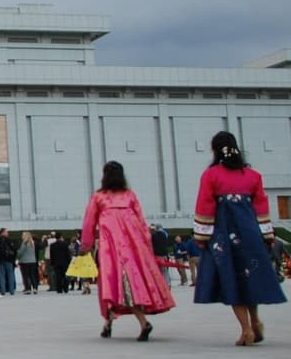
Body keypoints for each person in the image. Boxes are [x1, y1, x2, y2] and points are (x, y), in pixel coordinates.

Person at [192, 131, 286, 346]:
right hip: (250, 233)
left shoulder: (211, 175)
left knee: (231, 280)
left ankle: (246, 330)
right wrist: (267, 235)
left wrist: (201, 236)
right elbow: (261, 206)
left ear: (216, 150)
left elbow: (205, 205)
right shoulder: (253, 175)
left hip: (224, 235)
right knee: (248, 277)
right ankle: (255, 321)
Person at [80, 161, 175, 341]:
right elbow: (142, 224)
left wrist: (85, 246)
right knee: (132, 284)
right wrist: (146, 248)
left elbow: (89, 223)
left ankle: (135, 322)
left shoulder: (99, 197)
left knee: (112, 285)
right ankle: (111, 324)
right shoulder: (130, 196)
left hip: (111, 251)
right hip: (133, 250)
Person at [0, 228, 17, 296]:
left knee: (1, 275)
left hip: (0, 260)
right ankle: (11, 290)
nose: (8, 233)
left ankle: (3, 290)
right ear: (3, 232)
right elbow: (14, 250)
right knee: (10, 275)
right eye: (7, 232)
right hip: (9, 260)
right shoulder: (9, 240)